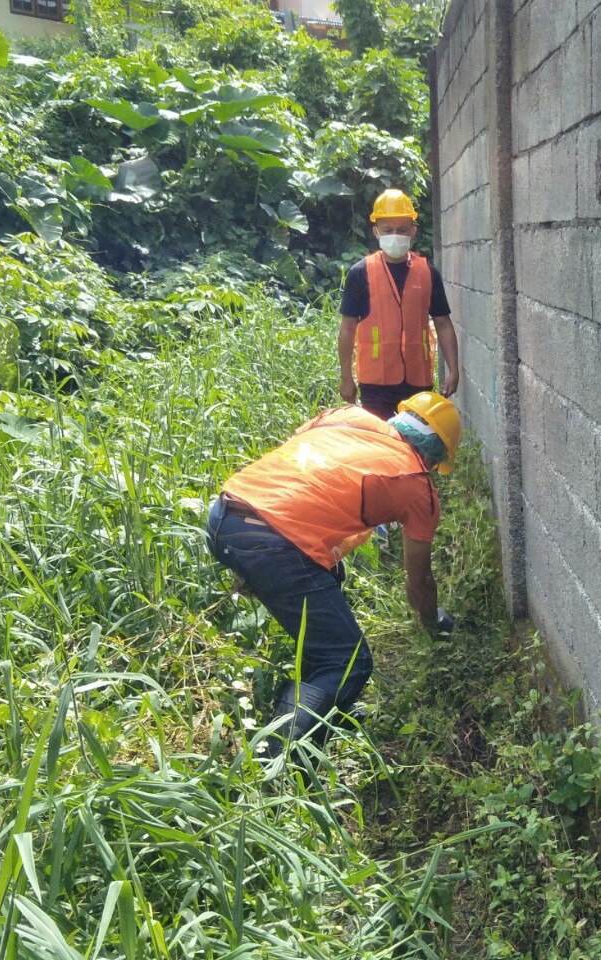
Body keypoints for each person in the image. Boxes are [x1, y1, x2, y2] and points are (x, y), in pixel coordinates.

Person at [206, 391, 462, 751]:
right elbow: (419, 582)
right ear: (434, 456)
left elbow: (308, 468)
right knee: (348, 658)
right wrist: (432, 628)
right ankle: (278, 766)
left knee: (329, 590)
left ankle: (329, 710)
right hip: (271, 540)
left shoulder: (347, 416)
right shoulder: (417, 483)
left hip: (225, 514)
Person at [338, 189, 461, 420]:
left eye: (402, 230)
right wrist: (346, 376)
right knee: (381, 444)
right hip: (376, 383)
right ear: (377, 232)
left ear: (412, 231)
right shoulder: (360, 273)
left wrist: (454, 370)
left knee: (417, 445)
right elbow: (347, 328)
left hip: (418, 380)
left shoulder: (427, 273)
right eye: (388, 230)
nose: (395, 235)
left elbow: (443, 323)